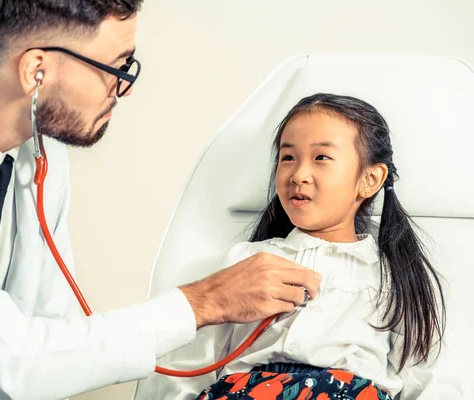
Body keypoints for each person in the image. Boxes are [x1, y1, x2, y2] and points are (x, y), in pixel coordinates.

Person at [0, 1, 322, 399]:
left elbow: (54, 337)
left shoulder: (41, 154)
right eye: (116, 66)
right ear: (36, 71)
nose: (122, 87)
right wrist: (202, 302)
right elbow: (12, 365)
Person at [144, 94, 460, 399]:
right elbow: (191, 363)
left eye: (321, 157)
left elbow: (430, 379)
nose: (298, 174)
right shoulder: (246, 261)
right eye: (288, 157)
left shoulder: (396, 276)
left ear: (370, 179)